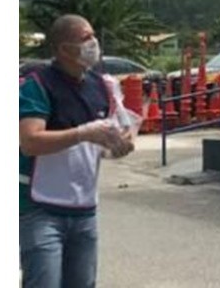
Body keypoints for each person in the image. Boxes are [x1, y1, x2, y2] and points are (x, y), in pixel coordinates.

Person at [19, 14, 135, 288]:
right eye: (85, 39)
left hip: (84, 209)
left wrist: (118, 145)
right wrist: (83, 133)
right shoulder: (38, 84)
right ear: (63, 49)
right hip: (41, 209)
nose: (93, 43)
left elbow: (121, 132)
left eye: (93, 36)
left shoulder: (102, 86)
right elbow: (30, 141)